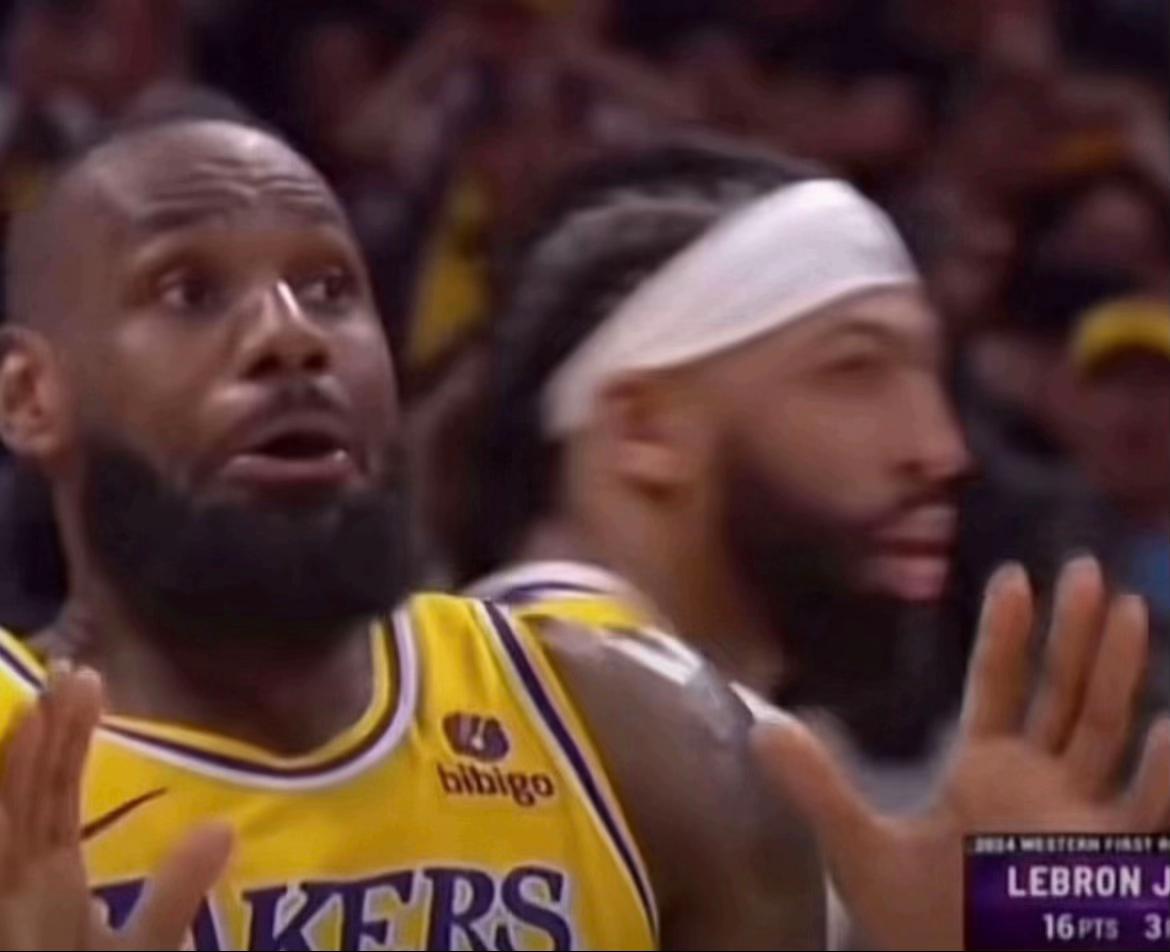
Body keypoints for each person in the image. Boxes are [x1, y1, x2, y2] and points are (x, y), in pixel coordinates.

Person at [0, 113, 1166, 951]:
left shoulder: (646, 726)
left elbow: (1103, 915)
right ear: (28, 395)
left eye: (333, 289)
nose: (290, 334)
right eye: (188, 292)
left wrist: (1049, 916)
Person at [460, 141, 970, 770]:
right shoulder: (465, 756)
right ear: (644, 428)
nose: (941, 451)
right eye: (855, 369)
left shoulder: (768, 763)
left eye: (930, 372)